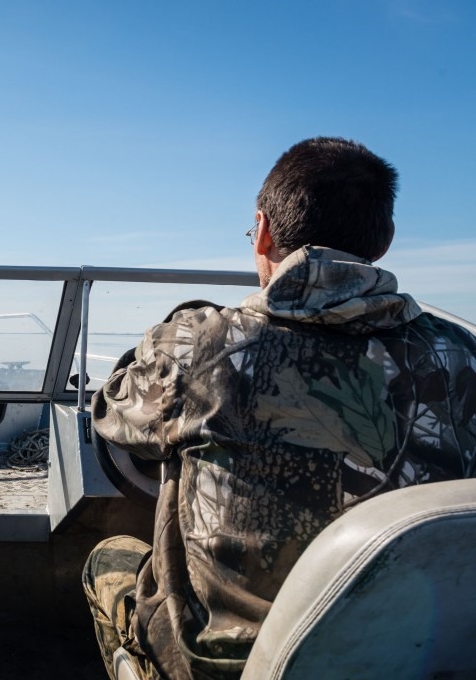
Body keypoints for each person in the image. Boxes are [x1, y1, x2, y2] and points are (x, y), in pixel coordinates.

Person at [82, 137, 476, 680]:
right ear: (382, 242)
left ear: (264, 230)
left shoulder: (202, 343)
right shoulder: (459, 355)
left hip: (229, 667)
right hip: (415, 659)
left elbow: (112, 412)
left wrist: (182, 323)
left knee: (109, 561)